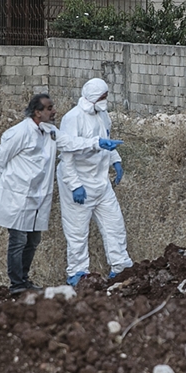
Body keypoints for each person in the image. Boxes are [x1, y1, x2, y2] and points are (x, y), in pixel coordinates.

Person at [0, 93, 122, 295]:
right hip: (17, 195)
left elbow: (71, 143)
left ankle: (24, 279)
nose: (54, 111)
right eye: (49, 108)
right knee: (18, 241)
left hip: (37, 197)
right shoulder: (19, 133)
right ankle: (16, 285)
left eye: (52, 107)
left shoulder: (50, 131)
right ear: (37, 112)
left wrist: (97, 143)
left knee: (33, 241)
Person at [56, 78, 133, 286]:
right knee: (77, 231)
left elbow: (107, 139)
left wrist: (115, 161)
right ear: (92, 97)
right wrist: (74, 185)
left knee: (114, 224)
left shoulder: (103, 115)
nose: (105, 100)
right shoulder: (73, 118)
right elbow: (67, 154)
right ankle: (78, 273)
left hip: (100, 182)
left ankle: (120, 266)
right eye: (103, 96)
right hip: (79, 182)